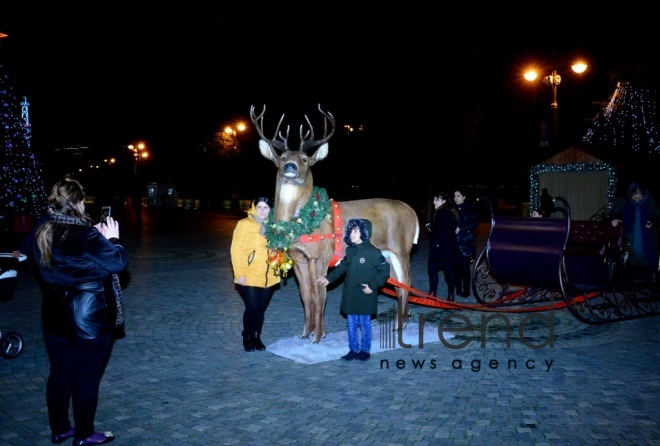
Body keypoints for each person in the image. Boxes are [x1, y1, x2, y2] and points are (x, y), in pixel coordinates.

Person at [32, 179, 129, 446]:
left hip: (55, 317)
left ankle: (60, 429)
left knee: (61, 373)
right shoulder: (86, 236)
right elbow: (118, 261)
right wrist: (112, 239)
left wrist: (95, 235)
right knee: (86, 378)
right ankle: (84, 434)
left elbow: (68, 259)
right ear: (77, 202)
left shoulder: (44, 230)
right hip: (89, 320)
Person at [317, 218, 390, 361]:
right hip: (350, 295)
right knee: (351, 323)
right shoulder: (350, 251)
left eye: (356, 231)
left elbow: (384, 271)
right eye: (352, 230)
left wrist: (372, 286)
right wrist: (328, 278)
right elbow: (342, 267)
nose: (353, 233)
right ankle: (353, 349)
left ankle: (365, 349)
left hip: (365, 295)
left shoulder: (372, 252)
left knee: (364, 323)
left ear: (365, 233)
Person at [230, 196, 280, 352]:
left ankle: (257, 336)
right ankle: (247, 336)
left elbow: (280, 247)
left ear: (270, 209)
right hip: (250, 273)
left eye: (266, 207)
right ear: (254, 207)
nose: (263, 211)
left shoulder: (275, 226)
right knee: (252, 307)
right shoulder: (244, 224)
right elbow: (235, 250)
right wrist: (240, 274)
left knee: (260, 309)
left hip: (269, 275)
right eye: (260, 207)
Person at [610, 182, 660, 285]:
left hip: (646, 234)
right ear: (630, 195)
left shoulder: (650, 201)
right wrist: (614, 219)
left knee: (647, 255)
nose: (637, 200)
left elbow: (657, 213)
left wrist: (652, 221)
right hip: (629, 235)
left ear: (643, 195)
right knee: (629, 257)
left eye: (640, 197)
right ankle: (628, 278)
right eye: (634, 197)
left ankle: (649, 277)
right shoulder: (623, 201)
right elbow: (613, 211)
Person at [426, 192, 462, 301]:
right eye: (434, 200)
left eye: (436, 200)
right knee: (449, 271)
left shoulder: (440, 213)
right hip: (450, 247)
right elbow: (451, 229)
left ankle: (432, 292)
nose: (434, 202)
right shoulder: (452, 212)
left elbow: (438, 231)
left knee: (432, 270)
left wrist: (430, 227)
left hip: (439, 247)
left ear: (444, 201)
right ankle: (451, 295)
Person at [453, 188, 479, 298]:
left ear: (464, 197)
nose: (456, 198)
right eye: (454, 196)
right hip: (454, 240)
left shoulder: (469, 209)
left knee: (464, 266)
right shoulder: (452, 210)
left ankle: (466, 290)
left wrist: (462, 229)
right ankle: (458, 288)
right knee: (456, 266)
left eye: (458, 196)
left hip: (465, 241)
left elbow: (475, 223)